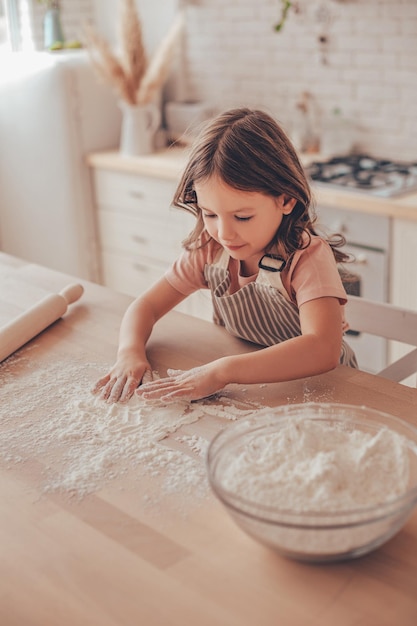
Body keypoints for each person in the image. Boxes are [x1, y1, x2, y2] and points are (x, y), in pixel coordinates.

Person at [93, 107, 357, 404]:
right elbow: (146, 306)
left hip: (325, 392)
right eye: (210, 214)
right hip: (255, 388)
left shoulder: (307, 258)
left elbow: (321, 349)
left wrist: (223, 370)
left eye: (242, 217)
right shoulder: (210, 249)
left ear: (285, 199)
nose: (225, 233)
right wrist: (129, 352)